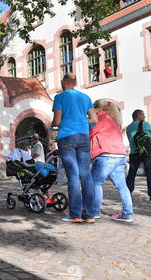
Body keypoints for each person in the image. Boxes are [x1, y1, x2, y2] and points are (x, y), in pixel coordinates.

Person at [52, 73, 98, 223]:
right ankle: (90, 215)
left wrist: (52, 124)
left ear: (64, 82)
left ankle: (75, 214)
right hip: (83, 137)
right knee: (86, 174)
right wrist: (83, 123)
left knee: (73, 175)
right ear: (75, 82)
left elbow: (57, 121)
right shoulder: (85, 98)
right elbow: (94, 119)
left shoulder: (60, 97)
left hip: (66, 137)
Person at [90, 99, 134, 222]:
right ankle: (128, 213)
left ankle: (94, 212)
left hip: (105, 155)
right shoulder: (114, 119)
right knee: (122, 186)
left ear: (98, 108)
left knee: (96, 184)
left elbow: (92, 132)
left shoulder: (100, 117)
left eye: (93, 108)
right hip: (120, 155)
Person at [125, 109, 151, 204]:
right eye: (143, 114)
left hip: (134, 153)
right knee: (150, 173)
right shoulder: (146, 124)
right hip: (147, 153)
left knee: (132, 174)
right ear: (138, 115)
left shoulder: (128, 128)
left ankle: (127, 194)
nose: (144, 116)